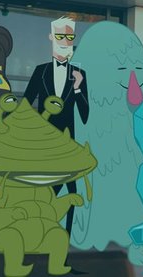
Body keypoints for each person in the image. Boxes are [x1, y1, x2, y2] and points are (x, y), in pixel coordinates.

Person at [23, 16, 90, 230]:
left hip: (69, 145)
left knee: (72, 191)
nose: (65, 41)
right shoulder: (40, 71)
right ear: (51, 37)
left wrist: (78, 88)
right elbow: (25, 105)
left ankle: (67, 236)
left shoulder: (79, 74)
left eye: (69, 37)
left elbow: (85, 115)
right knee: (45, 191)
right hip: (45, 145)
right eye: (60, 36)